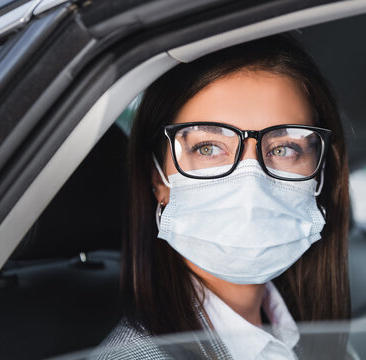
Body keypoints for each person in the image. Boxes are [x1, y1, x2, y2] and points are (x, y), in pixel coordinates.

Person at [93, 34, 351, 359]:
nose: (251, 184)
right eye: (208, 148)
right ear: (158, 179)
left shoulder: (311, 337)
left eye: (284, 148)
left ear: (321, 175)